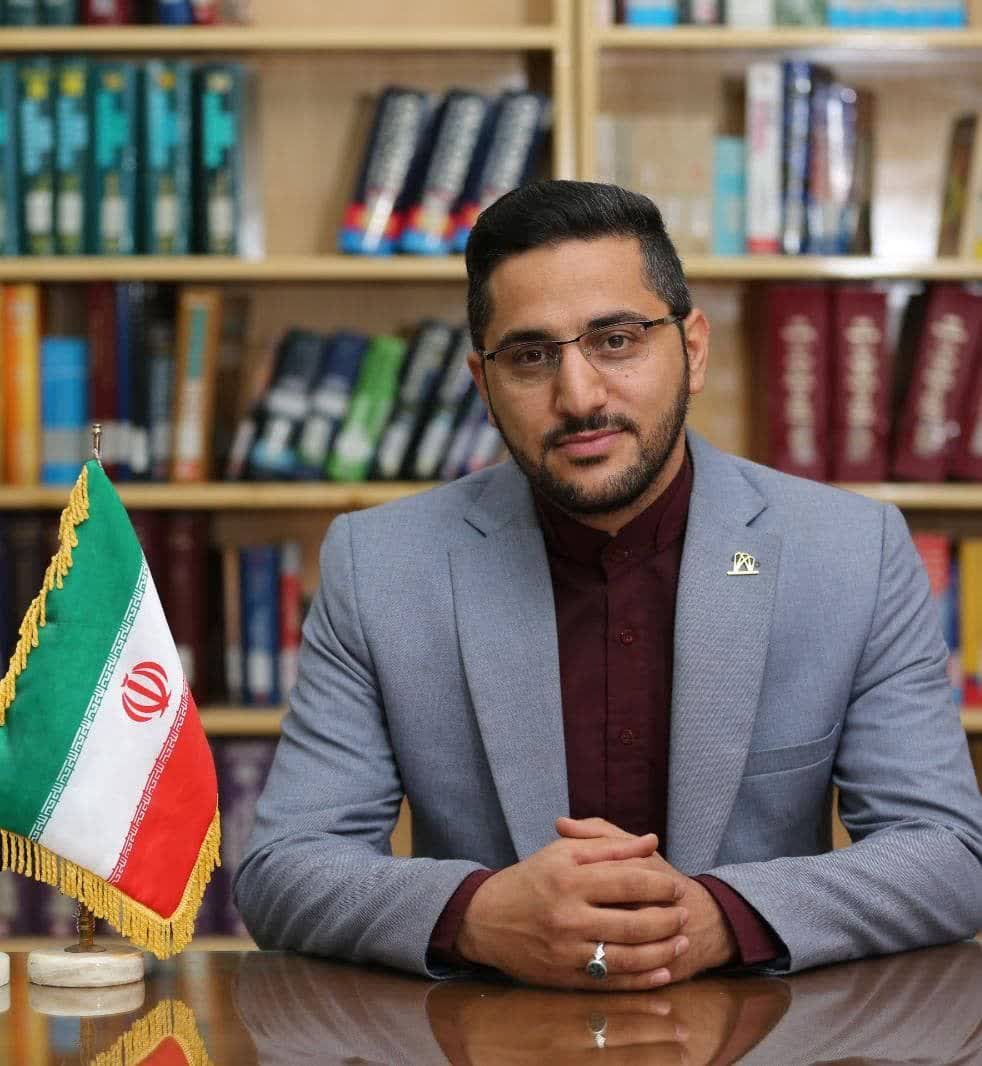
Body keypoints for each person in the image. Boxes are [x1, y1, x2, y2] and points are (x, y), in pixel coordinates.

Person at [233, 181, 982, 990]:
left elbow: (949, 855)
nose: (580, 396)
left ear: (693, 349)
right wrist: (480, 916)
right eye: (530, 357)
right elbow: (284, 870)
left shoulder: (850, 554)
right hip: (488, 1027)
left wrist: (719, 918)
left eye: (616, 340)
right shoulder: (378, 564)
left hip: (761, 1028)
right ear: (483, 386)